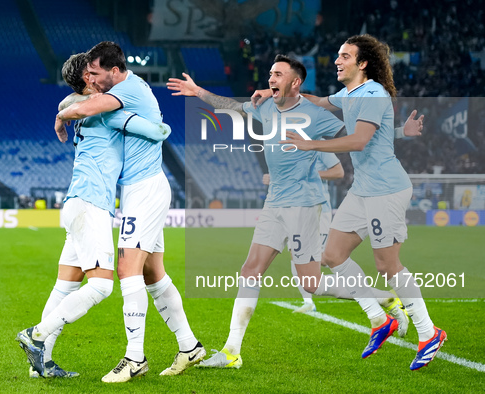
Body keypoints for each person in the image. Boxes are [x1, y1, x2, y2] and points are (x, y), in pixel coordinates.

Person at [167, 55, 408, 369]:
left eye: (278, 74)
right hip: (274, 203)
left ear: (296, 82)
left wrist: (403, 133)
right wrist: (198, 91)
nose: (270, 79)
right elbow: (232, 105)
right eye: (270, 74)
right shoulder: (265, 106)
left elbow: (363, 135)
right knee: (250, 270)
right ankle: (231, 352)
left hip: (303, 206)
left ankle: (380, 301)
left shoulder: (315, 114)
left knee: (310, 284)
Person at [279, 34, 446, 370]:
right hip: (363, 189)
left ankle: (429, 333)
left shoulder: (372, 93)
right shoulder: (350, 93)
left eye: (344, 56)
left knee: (387, 266)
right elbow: (322, 102)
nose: (337, 61)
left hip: (386, 189)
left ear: (363, 62)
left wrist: (310, 146)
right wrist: (287, 93)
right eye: (337, 55)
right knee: (332, 255)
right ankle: (379, 318)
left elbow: (358, 140)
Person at [54, 42, 204, 382]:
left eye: (95, 72)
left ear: (114, 71)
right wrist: (66, 109)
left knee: (127, 268)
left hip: (145, 189)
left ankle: (134, 357)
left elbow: (81, 107)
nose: (90, 77)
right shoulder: (120, 91)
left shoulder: (128, 89)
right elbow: (75, 101)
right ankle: (189, 346)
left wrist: (62, 117)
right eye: (87, 73)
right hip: (142, 188)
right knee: (152, 273)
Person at [15, 53, 171, 378]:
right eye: (95, 73)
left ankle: (40, 364)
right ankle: (37, 335)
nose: (104, 79)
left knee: (64, 287)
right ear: (87, 79)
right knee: (101, 287)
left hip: (76, 204)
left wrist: (62, 114)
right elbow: (158, 132)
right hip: (91, 205)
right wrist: (158, 123)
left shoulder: (84, 112)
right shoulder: (107, 114)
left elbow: (70, 101)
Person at [264, 152, 345, 313]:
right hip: (297, 209)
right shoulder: (288, 148)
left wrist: (304, 176)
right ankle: (308, 302)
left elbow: (338, 172)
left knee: (323, 259)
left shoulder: (318, 144)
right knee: (296, 255)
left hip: (319, 210)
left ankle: (362, 288)